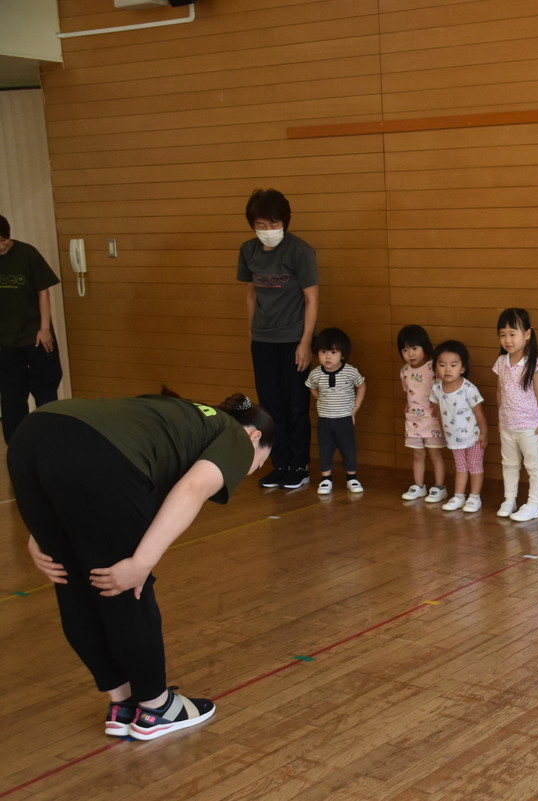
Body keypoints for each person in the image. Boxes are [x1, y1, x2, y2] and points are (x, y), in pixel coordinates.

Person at [8, 391, 273, 741]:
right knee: (124, 587)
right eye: (258, 464)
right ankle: (155, 707)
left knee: (74, 587)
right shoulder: (236, 436)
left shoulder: (184, 415)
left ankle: (122, 704)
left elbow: (86, 441)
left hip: (31, 435)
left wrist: (44, 527)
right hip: (94, 454)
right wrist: (141, 562)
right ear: (255, 437)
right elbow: (193, 488)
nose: (248, 471)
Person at [236, 189, 318, 490]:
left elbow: (311, 298)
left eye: (274, 224)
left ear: (284, 222)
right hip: (263, 339)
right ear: (253, 225)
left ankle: (299, 465)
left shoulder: (300, 251)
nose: (268, 230)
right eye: (262, 225)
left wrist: (305, 342)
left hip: (293, 338)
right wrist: (251, 330)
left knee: (295, 405)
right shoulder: (248, 251)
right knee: (270, 407)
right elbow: (250, 294)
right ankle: (279, 464)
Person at [0, 214, 63, 443]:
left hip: (36, 335)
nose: (1, 247)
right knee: (12, 395)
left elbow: (43, 292)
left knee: (45, 389)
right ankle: (17, 443)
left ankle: (50, 439)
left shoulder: (27, 254)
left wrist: (44, 328)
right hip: (6, 339)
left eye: (3, 241)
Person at [493, 308, 538, 521]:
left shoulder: (532, 363)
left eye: (512, 334)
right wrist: (501, 418)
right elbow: (500, 391)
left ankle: (535, 503)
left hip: (529, 426)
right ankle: (510, 499)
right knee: (509, 464)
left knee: (533, 466)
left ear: (527, 334)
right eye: (502, 334)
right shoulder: (501, 362)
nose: (507, 340)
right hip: (507, 425)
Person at [304, 327, 365, 495]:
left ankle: (351, 477)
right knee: (325, 449)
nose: (328, 356)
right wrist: (320, 398)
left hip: (344, 419)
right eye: (323, 352)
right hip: (324, 420)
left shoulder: (350, 371)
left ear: (342, 354)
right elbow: (311, 387)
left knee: (348, 449)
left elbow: (362, 386)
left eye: (333, 352)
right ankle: (326, 479)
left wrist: (355, 409)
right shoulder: (316, 374)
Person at [429, 340, 488, 512]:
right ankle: (459, 496)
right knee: (460, 467)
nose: (447, 369)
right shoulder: (437, 388)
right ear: (435, 367)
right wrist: (443, 432)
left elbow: (479, 412)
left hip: (473, 437)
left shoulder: (469, 389)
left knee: (475, 466)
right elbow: (438, 411)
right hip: (453, 438)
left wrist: (484, 434)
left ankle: (474, 497)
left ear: (462, 368)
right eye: (442, 365)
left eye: (453, 365)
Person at [398, 324, 447, 503]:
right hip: (413, 419)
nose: (410, 354)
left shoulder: (433, 367)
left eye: (414, 348)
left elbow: (444, 387)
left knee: (435, 454)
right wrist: (408, 404)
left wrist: (439, 403)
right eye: (405, 350)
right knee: (417, 454)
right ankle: (419, 486)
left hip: (432, 419)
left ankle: (439, 487)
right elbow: (409, 392)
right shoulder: (404, 371)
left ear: (424, 346)